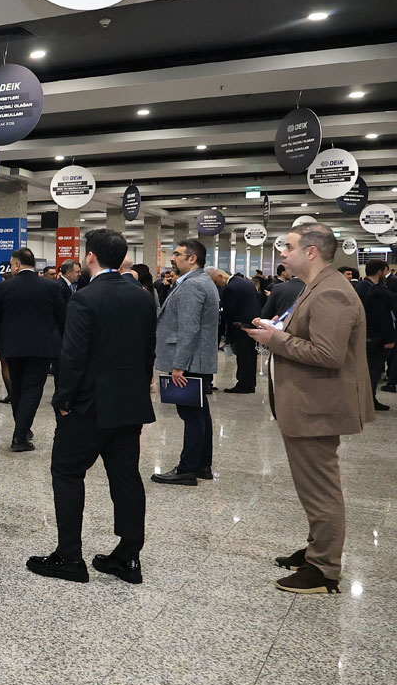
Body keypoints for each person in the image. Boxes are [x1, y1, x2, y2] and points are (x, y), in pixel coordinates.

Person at [243, 224, 373, 593]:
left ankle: (324, 568)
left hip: (317, 407)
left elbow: (328, 354)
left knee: (320, 488)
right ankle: (318, 549)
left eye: (289, 247)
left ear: (311, 251)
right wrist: (276, 329)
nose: (282, 254)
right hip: (309, 405)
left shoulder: (331, 291)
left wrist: (275, 339)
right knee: (312, 487)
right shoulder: (315, 286)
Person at [27, 229, 156, 585]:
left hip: (89, 405)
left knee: (67, 472)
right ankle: (128, 556)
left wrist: (63, 399)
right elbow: (148, 352)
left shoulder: (85, 298)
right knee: (126, 476)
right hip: (129, 404)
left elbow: (73, 356)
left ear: (90, 256)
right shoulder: (143, 297)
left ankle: (69, 556)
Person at [151, 240, 220, 487]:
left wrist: (179, 365)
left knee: (191, 415)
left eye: (177, 254)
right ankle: (202, 465)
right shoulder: (200, 281)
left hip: (189, 361)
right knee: (199, 413)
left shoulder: (193, 285)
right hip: (196, 359)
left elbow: (189, 329)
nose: (172, 258)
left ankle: (187, 469)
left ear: (192, 259)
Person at [0, 247, 66, 453]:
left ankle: (21, 428)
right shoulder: (50, 287)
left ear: (16, 265)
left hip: (12, 347)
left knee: (18, 389)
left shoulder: (5, 287)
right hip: (42, 347)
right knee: (32, 389)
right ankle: (20, 435)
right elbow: (62, 316)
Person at [211, 267, 262, 393]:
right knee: (250, 356)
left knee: (243, 357)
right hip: (252, 324)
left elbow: (229, 310)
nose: (218, 286)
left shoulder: (231, 287)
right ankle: (250, 384)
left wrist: (224, 327)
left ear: (220, 276)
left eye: (216, 282)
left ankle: (243, 385)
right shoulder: (246, 282)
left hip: (240, 326)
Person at [355, 259, 396, 412]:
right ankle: (369, 400)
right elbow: (382, 318)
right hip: (375, 337)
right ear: (380, 272)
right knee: (373, 370)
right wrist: (390, 338)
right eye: (385, 271)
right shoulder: (375, 291)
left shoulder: (360, 287)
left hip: (362, 334)